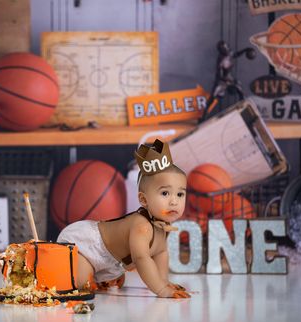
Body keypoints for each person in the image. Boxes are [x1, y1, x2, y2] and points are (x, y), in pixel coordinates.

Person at [57, 139, 191, 298]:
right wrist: (161, 290)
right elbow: (141, 258)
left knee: (112, 281)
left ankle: (99, 276)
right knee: (81, 284)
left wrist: (164, 281)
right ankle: (75, 271)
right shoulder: (142, 225)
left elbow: (161, 253)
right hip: (86, 244)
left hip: (110, 261)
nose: (174, 201)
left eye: (180, 194)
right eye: (164, 193)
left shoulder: (162, 227)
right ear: (143, 200)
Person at [199, 40, 256, 122]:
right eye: (225, 48)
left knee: (240, 91)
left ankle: (244, 110)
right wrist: (230, 81)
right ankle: (203, 117)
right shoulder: (221, 61)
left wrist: (246, 50)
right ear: (221, 50)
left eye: (227, 47)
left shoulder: (230, 53)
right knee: (213, 97)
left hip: (229, 78)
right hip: (221, 82)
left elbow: (236, 54)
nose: (227, 49)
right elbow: (221, 76)